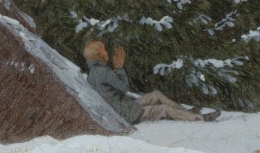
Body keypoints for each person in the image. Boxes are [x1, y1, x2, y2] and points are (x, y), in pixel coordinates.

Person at [82, 40, 219, 123]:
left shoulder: (93, 72)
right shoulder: (103, 72)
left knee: (156, 94)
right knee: (163, 109)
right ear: (99, 55)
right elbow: (123, 87)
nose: (107, 53)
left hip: (124, 107)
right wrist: (119, 67)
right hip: (126, 114)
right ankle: (199, 119)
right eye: (104, 50)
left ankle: (187, 112)